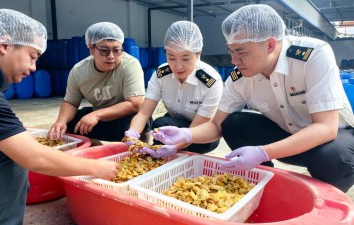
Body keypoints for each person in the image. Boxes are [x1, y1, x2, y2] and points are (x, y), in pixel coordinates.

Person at [150, 4, 354, 193]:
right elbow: (217, 125)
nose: (234, 60)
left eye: (241, 52)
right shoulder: (239, 77)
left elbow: (326, 127)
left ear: (270, 45)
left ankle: (325, 203)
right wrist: (187, 135)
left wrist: (263, 152)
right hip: (285, 136)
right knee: (234, 123)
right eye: (231, 51)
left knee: (335, 159)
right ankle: (263, 182)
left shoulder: (312, 56)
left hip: (331, 140)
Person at [0, 9, 119, 224]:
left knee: (5, 189)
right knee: (11, 151)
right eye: (32, 57)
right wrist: (98, 168)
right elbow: (33, 156)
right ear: (4, 45)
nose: (33, 68)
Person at [123, 21, 223, 158]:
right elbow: (144, 113)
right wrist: (132, 134)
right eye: (171, 57)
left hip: (199, 133)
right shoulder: (162, 74)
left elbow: (196, 128)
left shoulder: (211, 81)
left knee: (168, 140)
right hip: (175, 124)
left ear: (198, 53)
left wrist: (173, 148)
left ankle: (176, 153)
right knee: (159, 125)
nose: (178, 66)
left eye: (186, 59)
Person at [48, 22, 150, 145]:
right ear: (91, 48)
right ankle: (94, 146)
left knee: (140, 121)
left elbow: (135, 104)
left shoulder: (130, 65)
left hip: (123, 117)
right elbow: (70, 102)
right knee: (70, 124)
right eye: (104, 51)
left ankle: (139, 148)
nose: (111, 56)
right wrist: (61, 121)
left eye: (117, 50)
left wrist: (97, 115)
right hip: (100, 117)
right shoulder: (79, 71)